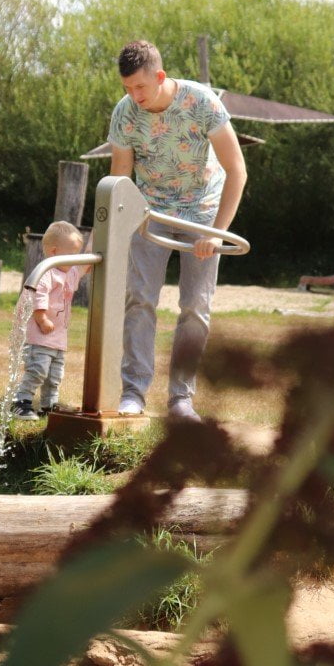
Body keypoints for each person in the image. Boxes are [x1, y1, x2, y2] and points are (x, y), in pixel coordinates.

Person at [108, 39, 247, 423]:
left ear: (160, 76)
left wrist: (217, 233)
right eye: (127, 88)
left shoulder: (202, 103)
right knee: (139, 298)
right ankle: (133, 393)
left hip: (201, 212)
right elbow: (119, 178)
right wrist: (111, 232)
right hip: (150, 212)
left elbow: (237, 170)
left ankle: (181, 400)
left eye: (140, 87)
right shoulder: (125, 114)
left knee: (195, 307)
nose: (134, 96)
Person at [12, 220, 89, 419]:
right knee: (37, 370)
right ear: (54, 252)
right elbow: (37, 295)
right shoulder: (47, 272)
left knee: (55, 376)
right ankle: (21, 402)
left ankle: (49, 406)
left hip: (58, 338)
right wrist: (41, 318)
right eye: (72, 254)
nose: (76, 259)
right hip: (40, 335)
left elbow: (86, 267)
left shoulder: (70, 271)